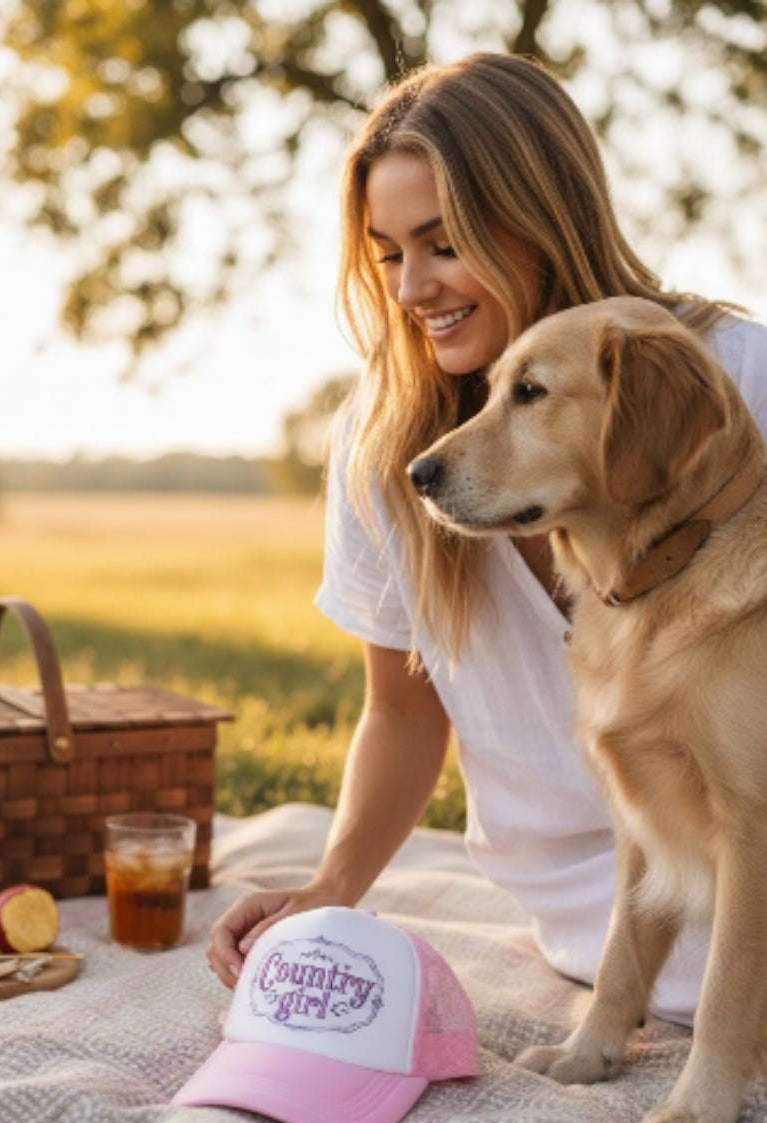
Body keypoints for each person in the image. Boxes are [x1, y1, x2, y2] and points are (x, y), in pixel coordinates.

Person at [207, 52, 767, 1024]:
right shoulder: (386, 451)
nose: (412, 286)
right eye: (387, 252)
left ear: (541, 216)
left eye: (444, 241)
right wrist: (329, 889)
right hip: (588, 932)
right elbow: (401, 713)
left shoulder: (736, 376)